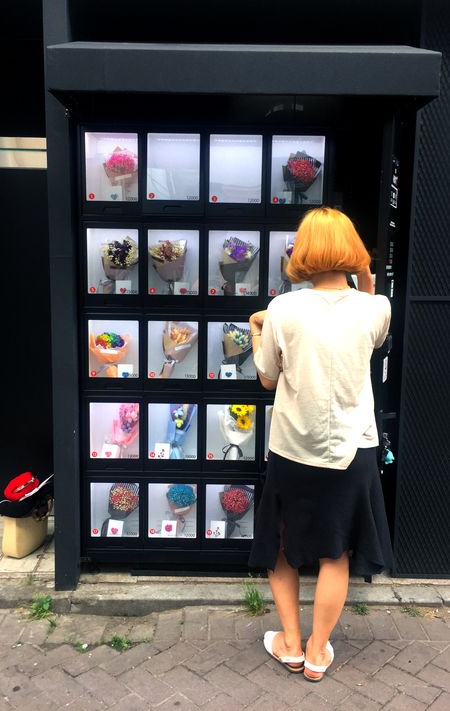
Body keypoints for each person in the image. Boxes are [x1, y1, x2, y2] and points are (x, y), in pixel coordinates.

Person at [248, 207, 393, 682]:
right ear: (353, 252)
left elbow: (268, 379)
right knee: (338, 553)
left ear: (303, 250)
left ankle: (289, 642)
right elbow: (372, 327)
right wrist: (367, 276)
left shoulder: (283, 309)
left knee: (283, 543)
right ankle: (316, 651)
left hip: (293, 448)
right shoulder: (376, 308)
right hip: (354, 450)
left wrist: (257, 332)